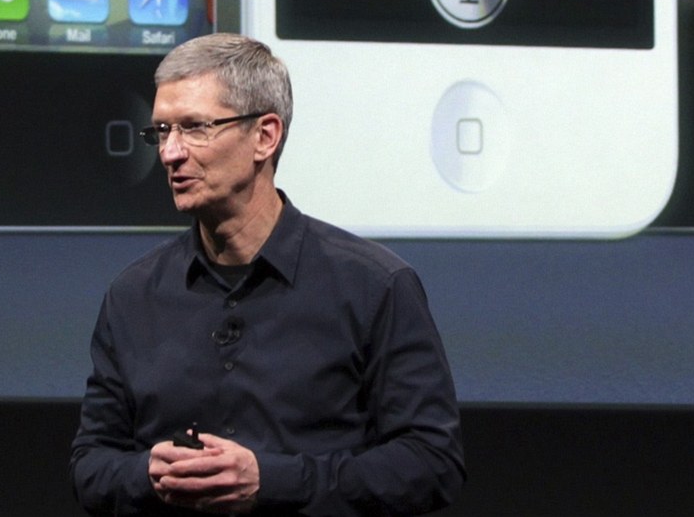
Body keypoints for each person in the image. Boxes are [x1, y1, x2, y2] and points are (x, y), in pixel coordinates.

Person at [71, 34, 464, 515]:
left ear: (265, 136)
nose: (171, 153)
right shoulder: (133, 295)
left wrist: (272, 480)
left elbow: (431, 463)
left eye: (194, 128)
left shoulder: (374, 287)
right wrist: (148, 474)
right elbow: (91, 465)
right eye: (162, 131)